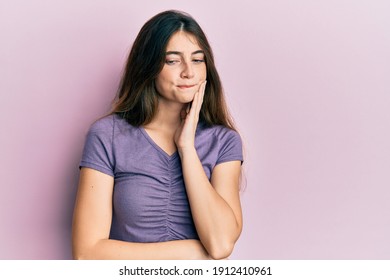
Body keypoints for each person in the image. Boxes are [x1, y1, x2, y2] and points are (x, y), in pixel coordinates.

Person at [72, 10, 243, 260]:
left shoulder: (224, 141)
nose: (188, 72)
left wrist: (187, 148)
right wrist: (197, 255)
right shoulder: (106, 136)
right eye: (173, 61)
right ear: (149, 66)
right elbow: (86, 254)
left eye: (198, 60)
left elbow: (219, 244)